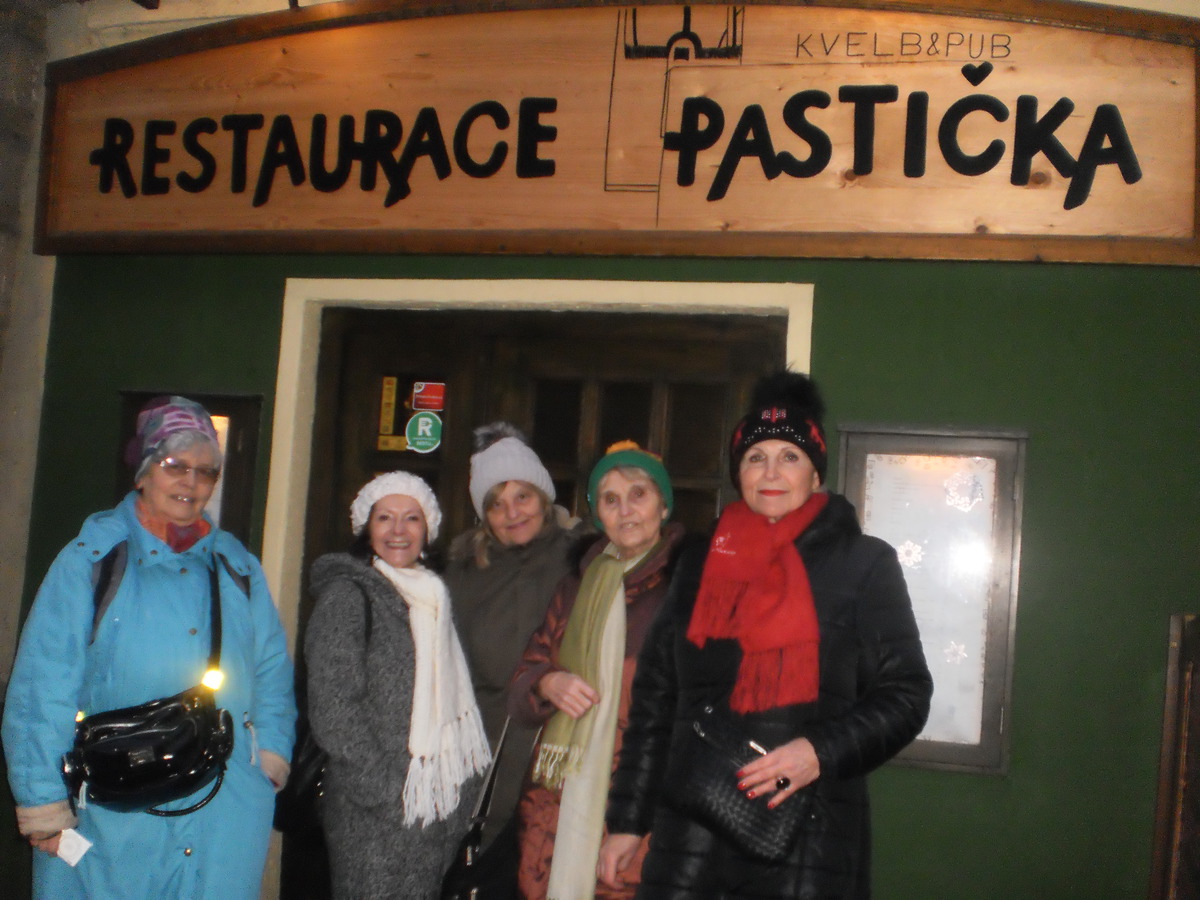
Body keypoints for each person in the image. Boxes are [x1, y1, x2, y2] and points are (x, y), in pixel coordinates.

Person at [598, 371, 933, 899]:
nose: (771, 472)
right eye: (756, 457)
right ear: (739, 473)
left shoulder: (865, 563)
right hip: (692, 840)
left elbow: (907, 694)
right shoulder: (698, 563)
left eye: (790, 457)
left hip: (809, 836)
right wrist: (626, 821)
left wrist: (818, 752)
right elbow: (656, 700)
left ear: (815, 474)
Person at [2, 395, 296, 899]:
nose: (191, 482)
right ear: (143, 471)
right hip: (114, 811)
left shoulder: (237, 565)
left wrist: (268, 758)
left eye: (206, 471)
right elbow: (41, 685)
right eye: (175, 465)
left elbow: (271, 669)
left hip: (223, 813)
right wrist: (43, 802)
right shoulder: (92, 560)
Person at [508, 442, 687, 900]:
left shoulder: (688, 587)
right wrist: (548, 682)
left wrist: (635, 819)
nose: (625, 510)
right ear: (598, 515)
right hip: (558, 798)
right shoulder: (576, 584)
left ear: (664, 505)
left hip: (643, 799)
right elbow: (527, 676)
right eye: (610, 499)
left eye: (639, 494)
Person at [305, 471, 490, 900]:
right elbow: (333, 707)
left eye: (412, 518)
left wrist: (454, 801)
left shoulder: (434, 597)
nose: (398, 531)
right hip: (374, 815)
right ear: (366, 527)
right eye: (384, 517)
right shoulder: (348, 596)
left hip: (435, 809)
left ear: (428, 530)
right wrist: (389, 795)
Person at [444, 422, 585, 889]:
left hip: (568, 760)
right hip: (489, 768)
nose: (512, 512)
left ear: (543, 497)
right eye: (496, 503)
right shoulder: (463, 575)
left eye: (522, 496)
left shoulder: (584, 561)